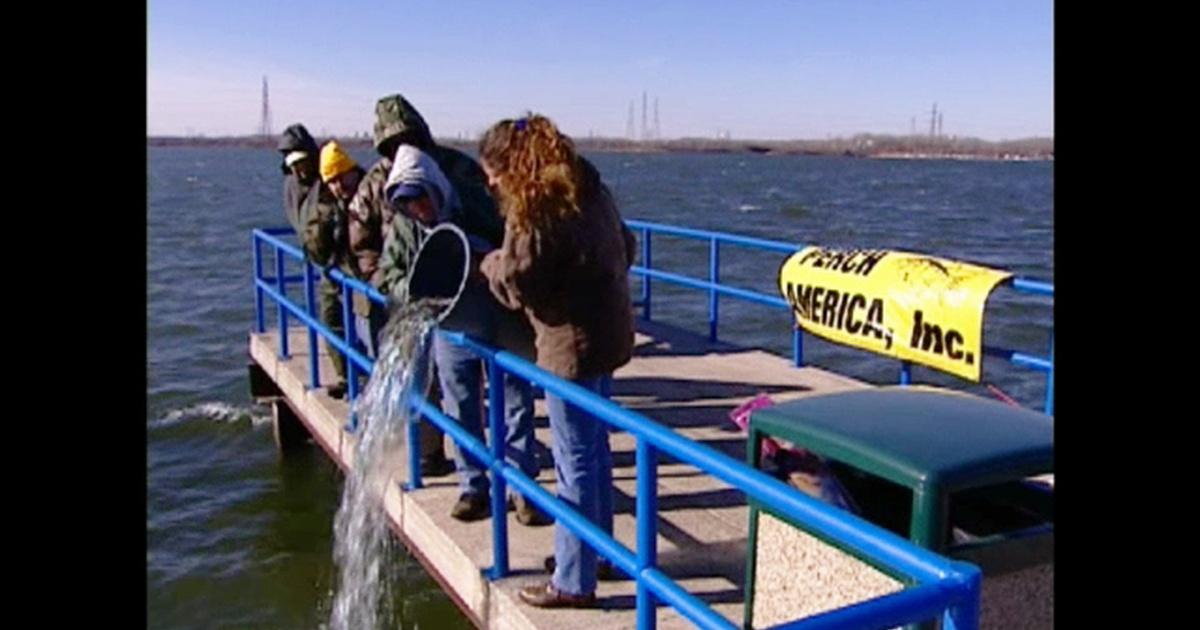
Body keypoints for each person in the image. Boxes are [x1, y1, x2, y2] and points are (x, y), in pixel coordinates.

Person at [478, 114, 637, 608]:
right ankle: (597, 553)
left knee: (574, 461)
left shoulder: (535, 206)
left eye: (493, 173)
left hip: (571, 347)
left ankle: (573, 580)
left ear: (513, 166)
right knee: (595, 448)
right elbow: (628, 245)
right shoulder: (589, 188)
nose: (489, 183)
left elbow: (520, 279)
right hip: (609, 333)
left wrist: (488, 264)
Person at [384, 145, 548, 525]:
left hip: (500, 316)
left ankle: (523, 489)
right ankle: (473, 487)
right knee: (460, 406)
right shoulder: (404, 229)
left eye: (421, 196)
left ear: (435, 187)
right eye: (407, 202)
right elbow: (386, 272)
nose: (418, 208)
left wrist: (486, 262)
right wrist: (410, 291)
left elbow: (517, 249)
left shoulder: (478, 204)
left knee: (515, 403)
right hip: (450, 325)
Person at [278, 125, 348, 398]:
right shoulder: (292, 187)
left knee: (354, 317)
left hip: (342, 263)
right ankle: (345, 374)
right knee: (331, 318)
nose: (300, 169)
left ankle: (356, 373)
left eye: (304, 162)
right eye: (294, 164)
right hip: (325, 264)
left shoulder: (329, 181)